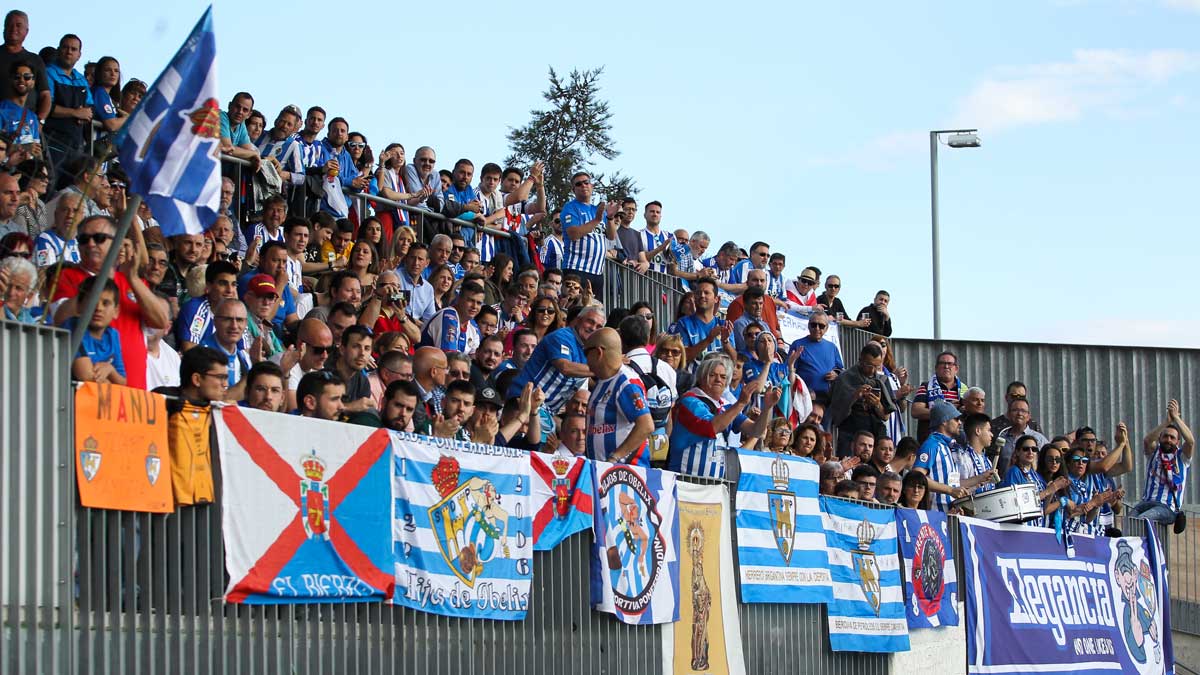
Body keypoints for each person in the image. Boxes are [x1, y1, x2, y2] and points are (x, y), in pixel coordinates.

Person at [50, 215, 168, 390]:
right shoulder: (68, 277)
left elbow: (160, 321)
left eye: (99, 238)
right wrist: (101, 279)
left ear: (116, 243)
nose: (91, 244)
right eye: (84, 239)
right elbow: (60, 319)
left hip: (134, 393)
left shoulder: (132, 281)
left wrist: (133, 278)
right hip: (92, 393)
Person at [668, 354, 777, 479]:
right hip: (685, 480)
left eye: (723, 377)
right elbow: (712, 427)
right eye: (713, 375)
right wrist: (740, 403)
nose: (718, 380)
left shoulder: (725, 406)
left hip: (715, 485)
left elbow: (755, 430)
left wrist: (767, 408)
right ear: (701, 377)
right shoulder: (690, 401)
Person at [507, 306, 604, 429]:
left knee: (571, 434)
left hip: (546, 411)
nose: (593, 328)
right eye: (590, 322)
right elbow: (565, 367)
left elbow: (585, 376)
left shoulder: (587, 349)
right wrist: (604, 366)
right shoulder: (562, 337)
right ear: (578, 320)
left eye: (599, 327)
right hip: (523, 401)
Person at [584, 327, 654, 465]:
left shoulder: (625, 383)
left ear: (598, 352)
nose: (585, 360)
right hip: (605, 473)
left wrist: (615, 457)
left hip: (625, 475)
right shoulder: (602, 381)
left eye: (586, 353)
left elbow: (646, 425)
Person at [621, 314, 678, 466]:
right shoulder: (668, 369)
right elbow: (669, 414)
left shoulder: (620, 367)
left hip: (628, 443)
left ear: (621, 338)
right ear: (647, 339)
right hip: (659, 444)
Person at [1131, 400, 1195, 531]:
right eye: (1165, 436)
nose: (1168, 440)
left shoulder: (1181, 457)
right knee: (1129, 522)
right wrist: (1167, 421)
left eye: (1172, 438)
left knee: (1141, 521)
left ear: (1177, 441)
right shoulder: (1154, 452)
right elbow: (1147, 441)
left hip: (1166, 507)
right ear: (1160, 438)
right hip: (1145, 503)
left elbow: (1191, 441)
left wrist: (1176, 418)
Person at [826, 341, 896, 457]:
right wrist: (854, 396)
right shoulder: (845, 379)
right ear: (860, 360)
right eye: (869, 365)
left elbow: (885, 416)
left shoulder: (881, 380)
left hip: (875, 433)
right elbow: (837, 414)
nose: (873, 370)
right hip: (850, 433)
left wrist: (877, 404)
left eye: (876, 366)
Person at [560, 171, 617, 296]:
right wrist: (596, 220)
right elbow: (573, 234)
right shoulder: (570, 207)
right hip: (576, 268)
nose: (583, 186)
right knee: (576, 309)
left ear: (592, 186)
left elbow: (611, 236)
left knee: (595, 311)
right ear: (573, 190)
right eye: (579, 184)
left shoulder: (597, 210)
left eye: (586, 182)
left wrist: (611, 217)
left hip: (597, 271)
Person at [67, 276, 125, 384]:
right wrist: (111, 382)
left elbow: (123, 381)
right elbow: (86, 376)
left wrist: (110, 370)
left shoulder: (113, 335)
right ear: (79, 306)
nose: (99, 308)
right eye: (92, 301)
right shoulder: (73, 327)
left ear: (116, 311)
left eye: (106, 303)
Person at [912, 401, 968, 512]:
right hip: (935, 515)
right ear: (944, 422)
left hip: (950, 514)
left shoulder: (948, 446)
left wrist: (981, 478)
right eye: (956, 419)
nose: (960, 423)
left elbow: (953, 483)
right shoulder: (932, 445)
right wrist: (950, 490)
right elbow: (917, 477)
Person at [274, 318, 333, 411]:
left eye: (329, 350)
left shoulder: (317, 367)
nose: (325, 356)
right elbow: (294, 409)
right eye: (318, 350)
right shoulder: (284, 362)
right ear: (301, 344)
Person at [911, 350, 968, 442]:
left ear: (956, 368)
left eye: (950, 364)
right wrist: (948, 410)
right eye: (942, 363)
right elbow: (916, 411)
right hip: (931, 441)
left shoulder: (965, 390)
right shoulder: (926, 386)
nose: (946, 366)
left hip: (958, 442)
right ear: (936, 368)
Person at [787, 311, 843, 405]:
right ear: (808, 326)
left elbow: (840, 369)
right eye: (814, 325)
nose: (817, 328)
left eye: (821, 326)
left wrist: (835, 374)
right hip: (806, 397)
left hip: (828, 399)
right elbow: (789, 370)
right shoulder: (797, 345)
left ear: (826, 328)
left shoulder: (832, 347)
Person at [419, 280, 484, 354]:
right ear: (459, 299)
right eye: (470, 300)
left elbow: (474, 359)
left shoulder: (473, 326)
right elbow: (449, 357)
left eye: (479, 303)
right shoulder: (448, 316)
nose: (474, 306)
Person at [992, 397, 1049, 477]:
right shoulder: (1001, 439)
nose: (1019, 414)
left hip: (1033, 486)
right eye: (1015, 410)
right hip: (1006, 486)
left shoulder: (1040, 439)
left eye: (1023, 411)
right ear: (1008, 414)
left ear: (1028, 416)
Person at [956, 413, 1000, 495]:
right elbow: (954, 486)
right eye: (989, 430)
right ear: (978, 431)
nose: (992, 435)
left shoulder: (987, 461)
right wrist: (980, 478)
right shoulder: (962, 458)